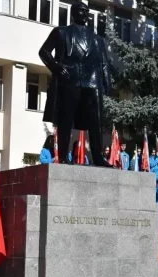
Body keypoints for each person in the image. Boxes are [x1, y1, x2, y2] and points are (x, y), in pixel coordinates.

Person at [39, 0, 111, 167]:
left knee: (96, 121)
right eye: (81, 10)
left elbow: (104, 63)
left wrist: (107, 82)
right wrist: (56, 67)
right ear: (73, 13)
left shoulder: (97, 39)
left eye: (86, 11)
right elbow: (44, 52)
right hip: (70, 80)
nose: (84, 14)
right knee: (66, 119)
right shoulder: (61, 32)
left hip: (92, 82)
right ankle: (63, 156)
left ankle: (98, 157)